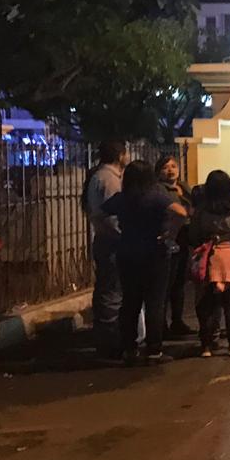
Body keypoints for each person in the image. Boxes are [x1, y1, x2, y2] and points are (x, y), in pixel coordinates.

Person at [103, 160, 188, 364]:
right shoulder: (155, 195)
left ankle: (129, 349)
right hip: (155, 253)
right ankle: (154, 349)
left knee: (130, 302)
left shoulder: (122, 198)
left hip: (127, 252)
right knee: (155, 302)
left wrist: (111, 233)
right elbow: (181, 212)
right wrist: (169, 233)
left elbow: (99, 212)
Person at [190, 170, 230, 357]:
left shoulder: (200, 212)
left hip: (208, 258)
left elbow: (193, 235)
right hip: (229, 258)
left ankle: (207, 345)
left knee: (208, 303)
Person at [85, 140, 128, 360]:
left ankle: (107, 339)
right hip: (111, 242)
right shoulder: (109, 179)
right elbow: (112, 216)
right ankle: (110, 343)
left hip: (104, 240)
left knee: (107, 290)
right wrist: (126, 236)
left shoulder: (99, 177)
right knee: (112, 292)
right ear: (120, 155)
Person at [156, 155, 195, 337]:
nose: (171, 170)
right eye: (166, 167)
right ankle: (161, 324)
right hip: (169, 237)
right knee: (166, 282)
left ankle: (177, 321)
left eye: (173, 166)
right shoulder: (159, 190)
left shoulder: (184, 187)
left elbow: (194, 207)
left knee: (180, 282)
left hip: (184, 237)